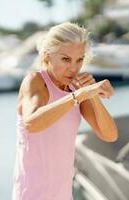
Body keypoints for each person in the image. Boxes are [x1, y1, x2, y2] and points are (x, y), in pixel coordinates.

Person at [12, 22, 118, 200]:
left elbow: (110, 135)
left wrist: (92, 94)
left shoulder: (74, 89)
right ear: (47, 57)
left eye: (79, 60)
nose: (74, 68)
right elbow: (32, 123)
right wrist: (79, 95)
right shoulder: (36, 81)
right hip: (31, 194)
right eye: (66, 59)